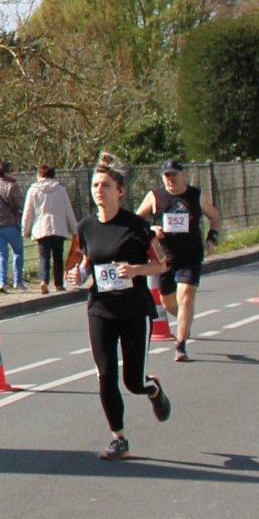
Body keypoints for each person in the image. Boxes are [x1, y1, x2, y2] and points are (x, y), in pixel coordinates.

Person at [67, 156, 172, 461]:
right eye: (95, 186)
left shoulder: (137, 226)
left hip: (134, 310)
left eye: (106, 186)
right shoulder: (85, 226)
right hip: (100, 309)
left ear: (120, 192)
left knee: (133, 382)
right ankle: (119, 438)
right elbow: (82, 262)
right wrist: (79, 275)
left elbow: (161, 264)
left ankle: (152, 390)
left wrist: (136, 270)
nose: (99, 190)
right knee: (106, 374)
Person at [135, 158, 222, 362]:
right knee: (168, 303)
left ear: (183, 175)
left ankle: (180, 344)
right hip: (164, 258)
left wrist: (212, 238)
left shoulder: (196, 196)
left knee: (186, 296)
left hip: (190, 255)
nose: (171, 180)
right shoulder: (155, 196)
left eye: (174, 175)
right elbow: (136, 221)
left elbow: (215, 217)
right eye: (167, 176)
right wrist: (151, 229)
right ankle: (185, 322)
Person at [21, 165, 79, 295]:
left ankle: (43, 281)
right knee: (58, 256)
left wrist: (25, 230)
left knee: (44, 256)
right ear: (53, 175)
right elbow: (68, 210)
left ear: (39, 175)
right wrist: (75, 230)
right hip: (58, 227)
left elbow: (28, 211)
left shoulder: (33, 190)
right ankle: (59, 284)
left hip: (41, 228)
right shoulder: (61, 190)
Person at [0, 161, 24, 293]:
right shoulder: (12, 186)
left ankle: (2, 283)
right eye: (12, 170)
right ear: (6, 172)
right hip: (10, 224)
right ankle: (17, 281)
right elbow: (19, 203)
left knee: (1, 255)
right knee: (17, 252)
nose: (14, 172)